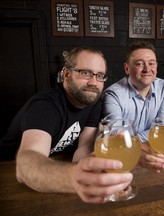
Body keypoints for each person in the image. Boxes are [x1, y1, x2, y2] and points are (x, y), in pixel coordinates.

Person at [0, 47, 133, 204]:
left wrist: (90, 169)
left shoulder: (92, 101)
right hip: (8, 173)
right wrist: (74, 177)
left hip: (52, 172)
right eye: (85, 73)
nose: (93, 82)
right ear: (66, 74)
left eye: (100, 76)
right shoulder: (45, 105)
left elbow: (83, 147)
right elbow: (25, 166)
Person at [102, 41, 164, 171]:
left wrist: (134, 140)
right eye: (139, 64)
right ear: (127, 68)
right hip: (122, 163)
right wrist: (150, 138)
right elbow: (116, 134)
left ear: (156, 67)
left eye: (151, 63)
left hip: (155, 160)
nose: (147, 69)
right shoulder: (113, 93)